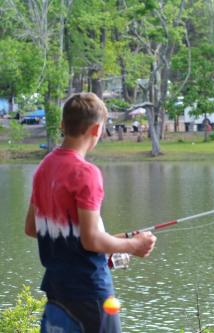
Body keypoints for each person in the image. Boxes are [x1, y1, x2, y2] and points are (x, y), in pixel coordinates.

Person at [24, 93, 157, 333]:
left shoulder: (44, 168)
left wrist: (106, 240)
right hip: (91, 295)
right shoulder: (86, 173)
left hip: (56, 293)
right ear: (96, 129)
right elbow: (91, 239)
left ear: (63, 125)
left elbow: (33, 228)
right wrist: (134, 245)